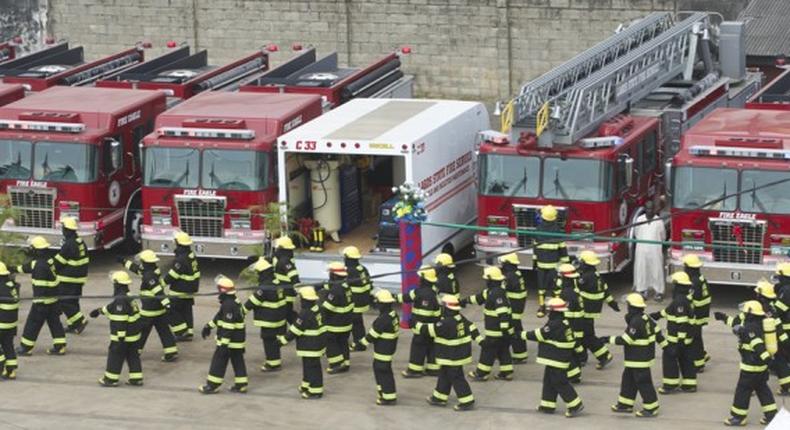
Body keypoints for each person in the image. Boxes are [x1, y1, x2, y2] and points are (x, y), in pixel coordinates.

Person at [714, 301, 777, 426]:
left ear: (750, 314)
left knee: (742, 391)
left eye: (745, 313)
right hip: (760, 368)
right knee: (762, 389)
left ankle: (738, 417)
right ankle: (771, 416)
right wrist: (724, 318)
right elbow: (737, 324)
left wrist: (767, 360)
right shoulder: (759, 323)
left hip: (751, 368)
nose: (743, 314)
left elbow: (758, 345)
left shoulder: (751, 328)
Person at [519, 297, 584, 418]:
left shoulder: (555, 324)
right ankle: (547, 405)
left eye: (549, 310)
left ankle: (575, 404)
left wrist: (520, 335)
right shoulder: (564, 321)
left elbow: (541, 334)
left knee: (560, 382)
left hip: (557, 359)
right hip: (556, 358)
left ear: (554, 311)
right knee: (549, 381)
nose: (548, 312)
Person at [603, 293, 661, 418]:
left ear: (632, 307)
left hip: (639, 359)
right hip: (637, 358)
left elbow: (626, 339)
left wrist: (607, 339)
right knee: (628, 380)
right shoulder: (645, 318)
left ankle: (651, 408)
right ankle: (625, 404)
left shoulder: (636, 321)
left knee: (643, 382)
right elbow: (657, 331)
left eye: (628, 305)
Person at [419, 295, 481, 411]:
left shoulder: (446, 322)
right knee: (444, 374)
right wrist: (479, 339)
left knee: (456, 377)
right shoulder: (460, 317)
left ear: (447, 308)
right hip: (456, 355)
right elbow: (471, 326)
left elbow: (431, 330)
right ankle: (439, 397)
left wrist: (415, 325)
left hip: (451, 356)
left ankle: (467, 401)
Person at [121, 250, 178, 362]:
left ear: (146, 262)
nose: (141, 263)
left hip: (150, 309)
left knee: (141, 331)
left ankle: (135, 351)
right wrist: (124, 262)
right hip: (159, 310)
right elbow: (137, 269)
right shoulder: (151, 270)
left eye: (142, 261)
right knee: (164, 330)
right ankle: (171, 351)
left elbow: (158, 291)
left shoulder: (149, 276)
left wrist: (166, 303)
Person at [14, 236, 66, 356]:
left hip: (42, 301)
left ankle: (26, 348)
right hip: (53, 299)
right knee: (54, 322)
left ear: (36, 250)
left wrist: (38, 303)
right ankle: (60, 346)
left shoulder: (39, 266)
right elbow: (27, 267)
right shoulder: (47, 260)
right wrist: (12, 268)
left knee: (32, 323)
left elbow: (40, 287)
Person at [90, 271, 143, 387]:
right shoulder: (128, 296)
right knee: (132, 355)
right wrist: (99, 311)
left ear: (117, 284)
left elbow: (120, 319)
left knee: (115, 355)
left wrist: (120, 336)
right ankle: (136, 378)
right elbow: (112, 308)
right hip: (133, 335)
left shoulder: (120, 299)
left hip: (124, 336)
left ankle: (110, 379)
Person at [199, 276, 248, 394]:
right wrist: (209, 326)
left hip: (230, 340)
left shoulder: (228, 305)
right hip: (237, 339)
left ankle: (211, 385)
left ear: (222, 290)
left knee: (219, 361)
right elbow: (219, 316)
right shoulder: (231, 301)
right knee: (237, 360)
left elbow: (228, 326)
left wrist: (223, 345)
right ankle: (241, 384)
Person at [463, 266, 513, 381]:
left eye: (486, 279)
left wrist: (504, 329)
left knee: (487, 351)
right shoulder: (492, 291)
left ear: (491, 280)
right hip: (502, 332)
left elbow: (503, 312)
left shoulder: (497, 294)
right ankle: (506, 372)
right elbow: (478, 297)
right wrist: (464, 301)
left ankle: (481, 373)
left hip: (496, 332)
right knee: (503, 351)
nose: (485, 281)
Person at [651, 271, 696, 394]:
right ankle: (689, 385)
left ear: (679, 286)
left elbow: (682, 322)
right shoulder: (683, 299)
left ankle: (670, 386)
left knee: (669, 360)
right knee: (686, 361)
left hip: (676, 340)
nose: (672, 287)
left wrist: (680, 341)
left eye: (674, 284)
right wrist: (657, 315)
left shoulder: (679, 301)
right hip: (687, 339)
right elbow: (669, 311)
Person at [278, 286, 327, 399]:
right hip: (316, 344)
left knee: (312, 368)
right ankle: (306, 385)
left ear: (304, 300)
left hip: (310, 345)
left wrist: (282, 341)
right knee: (308, 366)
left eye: (301, 299)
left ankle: (315, 391)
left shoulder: (305, 314)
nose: (299, 301)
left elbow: (295, 330)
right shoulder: (317, 309)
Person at [242, 257, 288, 372]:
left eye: (258, 273)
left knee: (268, 340)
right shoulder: (277, 282)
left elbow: (252, 301)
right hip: (278, 318)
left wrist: (241, 312)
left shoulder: (264, 287)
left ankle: (272, 363)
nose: (257, 275)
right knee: (273, 341)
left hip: (269, 320)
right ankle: (275, 360)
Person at [576, 251, 616, 369]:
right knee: (582, 334)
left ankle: (604, 355)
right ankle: (582, 358)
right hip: (592, 311)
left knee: (588, 336)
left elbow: (574, 287)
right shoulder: (597, 276)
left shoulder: (585, 277)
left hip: (585, 311)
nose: (580, 264)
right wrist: (611, 302)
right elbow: (605, 290)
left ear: (586, 263)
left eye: (581, 262)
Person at [399, 266, 441, 378]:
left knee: (418, 347)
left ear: (423, 278)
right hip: (433, 328)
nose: (418, 279)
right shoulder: (424, 291)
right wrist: (391, 297)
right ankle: (433, 369)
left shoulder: (425, 295)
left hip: (424, 328)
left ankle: (414, 370)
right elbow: (407, 297)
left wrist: (414, 323)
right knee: (432, 347)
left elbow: (425, 314)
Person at [359, 289, 400, 405]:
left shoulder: (382, 320)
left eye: (377, 302)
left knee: (382, 370)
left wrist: (359, 344)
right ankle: (384, 393)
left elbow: (371, 336)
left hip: (383, 350)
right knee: (383, 370)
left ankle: (388, 397)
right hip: (389, 348)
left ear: (381, 303)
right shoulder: (393, 315)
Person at [53, 216, 89, 334]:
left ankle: (80, 321)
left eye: (63, 228)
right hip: (79, 279)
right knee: (73, 302)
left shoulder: (69, 244)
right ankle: (74, 326)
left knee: (64, 301)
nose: (62, 230)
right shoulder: (80, 241)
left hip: (69, 279)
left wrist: (47, 266)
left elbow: (58, 262)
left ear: (67, 230)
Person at [163, 232, 200, 342]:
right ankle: (189, 332)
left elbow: (172, 276)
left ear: (178, 243)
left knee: (170, 310)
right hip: (190, 288)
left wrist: (161, 284)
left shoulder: (180, 260)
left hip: (180, 290)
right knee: (186, 310)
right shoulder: (190, 255)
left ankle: (181, 332)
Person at [534, 205, 569, 317]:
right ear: (554, 218)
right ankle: (556, 307)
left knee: (541, 287)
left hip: (541, 265)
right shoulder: (558, 232)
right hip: (554, 266)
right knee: (556, 287)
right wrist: (566, 265)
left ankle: (541, 307)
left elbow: (535, 249)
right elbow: (563, 250)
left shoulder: (537, 231)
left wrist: (534, 263)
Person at [319, 262, 353, 374]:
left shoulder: (335, 290)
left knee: (330, 342)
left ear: (333, 275)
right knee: (343, 342)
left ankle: (336, 364)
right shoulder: (346, 286)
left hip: (335, 324)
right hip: (346, 323)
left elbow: (327, 308)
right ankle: (346, 363)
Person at [554, 263, 584, 383]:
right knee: (574, 352)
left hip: (572, 326)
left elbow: (566, 311)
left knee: (569, 352)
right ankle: (575, 374)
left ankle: (574, 375)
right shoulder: (574, 290)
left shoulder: (567, 293)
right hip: (577, 325)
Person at [682, 254, 711, 372]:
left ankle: (699, 364)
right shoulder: (700, 278)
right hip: (702, 313)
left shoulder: (693, 282)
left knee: (694, 339)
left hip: (696, 315)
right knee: (697, 337)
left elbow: (691, 299)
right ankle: (702, 355)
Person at [633, 201, 666, 301]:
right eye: (648, 208)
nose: (649, 210)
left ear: (654, 209)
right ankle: (642, 290)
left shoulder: (659, 221)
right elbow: (636, 233)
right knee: (642, 269)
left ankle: (658, 292)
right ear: (645, 209)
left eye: (651, 208)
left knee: (656, 270)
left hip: (655, 250)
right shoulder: (639, 220)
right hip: (641, 250)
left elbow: (663, 237)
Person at [500, 253, 528, 363]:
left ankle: (520, 356)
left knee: (514, 332)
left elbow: (501, 289)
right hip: (517, 307)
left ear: (508, 264)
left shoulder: (510, 276)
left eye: (503, 263)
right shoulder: (516, 273)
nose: (502, 265)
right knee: (515, 330)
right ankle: (520, 354)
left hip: (513, 309)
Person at [344, 246, 374, 351]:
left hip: (355, 301)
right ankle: (361, 340)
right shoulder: (362, 268)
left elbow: (342, 286)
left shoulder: (350, 271)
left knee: (355, 323)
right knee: (358, 322)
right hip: (363, 300)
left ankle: (358, 343)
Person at [272, 236, 299, 323]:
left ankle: (299, 329)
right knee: (286, 313)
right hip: (282, 292)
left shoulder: (285, 260)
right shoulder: (279, 258)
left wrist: (298, 288)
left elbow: (294, 276)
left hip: (287, 293)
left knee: (288, 314)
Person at [0, 262, 19, 379]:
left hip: (1, 323)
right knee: (8, 345)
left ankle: (0, 369)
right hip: (11, 324)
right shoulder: (11, 285)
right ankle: (11, 371)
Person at [774, 263, 790, 396]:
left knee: (781, 358)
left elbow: (779, 310)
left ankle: (787, 387)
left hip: (786, 330)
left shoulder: (786, 290)